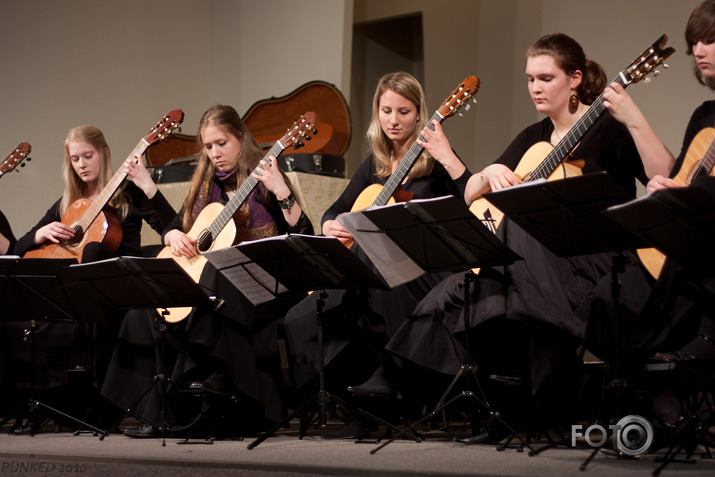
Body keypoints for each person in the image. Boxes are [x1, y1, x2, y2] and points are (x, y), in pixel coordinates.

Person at [348, 33, 673, 445]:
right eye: (529, 79)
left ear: (575, 79)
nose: (534, 87)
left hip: (594, 257)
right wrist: (486, 175)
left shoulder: (609, 130)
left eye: (545, 77)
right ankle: (476, 397)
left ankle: (502, 407)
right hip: (531, 263)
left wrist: (633, 118)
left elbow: (665, 174)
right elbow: (471, 197)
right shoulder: (531, 137)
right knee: (469, 281)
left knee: (492, 269)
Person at [102, 104, 314, 438]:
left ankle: (209, 389)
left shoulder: (265, 179)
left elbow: (304, 233)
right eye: (208, 146)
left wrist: (281, 190)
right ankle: (157, 413)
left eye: (222, 143)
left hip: (264, 285)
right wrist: (171, 234)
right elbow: (177, 225)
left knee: (216, 277)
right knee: (150, 302)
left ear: (241, 139)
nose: (214, 153)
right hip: (216, 286)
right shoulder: (204, 185)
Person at [283, 71, 471, 439]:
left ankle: (387, 393)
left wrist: (449, 158)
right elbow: (333, 210)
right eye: (386, 110)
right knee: (304, 313)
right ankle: (347, 400)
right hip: (375, 269)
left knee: (367, 282)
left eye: (403, 111)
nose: (394, 120)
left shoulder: (434, 160)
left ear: (419, 114)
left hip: (425, 270)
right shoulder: (374, 164)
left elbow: (473, 202)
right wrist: (328, 225)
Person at [586, 0, 715, 435]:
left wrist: (691, 194)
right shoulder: (703, 117)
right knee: (608, 292)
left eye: (711, 40)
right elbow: (679, 174)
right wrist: (667, 188)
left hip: (706, 247)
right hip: (681, 238)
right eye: (694, 41)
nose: (699, 50)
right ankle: (660, 397)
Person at [2, 125, 176, 433]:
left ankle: (105, 403)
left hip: (117, 285)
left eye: (87, 155)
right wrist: (39, 234)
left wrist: (148, 185)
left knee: (94, 251)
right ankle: (49, 400)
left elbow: (173, 227)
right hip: (77, 292)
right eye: (74, 158)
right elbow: (17, 249)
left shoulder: (128, 195)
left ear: (104, 153)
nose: (81, 164)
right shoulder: (67, 204)